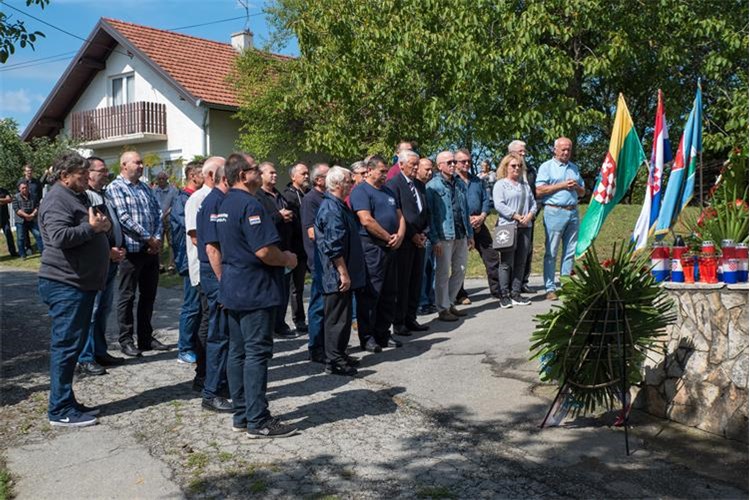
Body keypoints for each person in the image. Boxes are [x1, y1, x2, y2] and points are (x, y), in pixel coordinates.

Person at [216, 152, 299, 438]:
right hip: (253, 289)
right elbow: (264, 251)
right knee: (256, 354)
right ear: (243, 175)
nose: (261, 172)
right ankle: (258, 420)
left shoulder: (225, 203)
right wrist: (287, 258)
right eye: (255, 169)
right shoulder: (250, 204)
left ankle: (242, 414)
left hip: (234, 287)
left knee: (238, 353)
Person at [38, 152, 111, 427]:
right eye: (81, 175)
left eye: (86, 173)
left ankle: (66, 400)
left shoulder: (77, 196)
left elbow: (91, 224)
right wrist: (92, 229)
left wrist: (101, 227)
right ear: (64, 175)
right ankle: (59, 410)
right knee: (66, 348)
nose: (86, 178)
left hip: (79, 284)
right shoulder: (57, 198)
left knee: (72, 346)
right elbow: (58, 237)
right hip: (65, 285)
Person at [107, 151, 167, 357]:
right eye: (137, 162)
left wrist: (157, 239)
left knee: (149, 295)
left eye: (141, 163)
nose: (141, 166)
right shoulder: (116, 187)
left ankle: (145, 337)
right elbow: (123, 217)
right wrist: (148, 238)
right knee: (127, 296)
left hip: (150, 250)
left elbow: (158, 213)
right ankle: (126, 339)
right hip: (131, 252)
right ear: (124, 165)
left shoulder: (144, 187)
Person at [76, 157, 127, 376]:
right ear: (89, 173)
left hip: (111, 261)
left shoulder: (104, 194)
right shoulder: (84, 197)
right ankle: (85, 358)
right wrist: (108, 251)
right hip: (97, 261)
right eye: (102, 170)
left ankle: (99, 351)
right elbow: (91, 230)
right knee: (92, 311)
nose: (106, 173)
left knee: (104, 309)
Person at [350, 155, 406, 351]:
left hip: (391, 247)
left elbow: (400, 216)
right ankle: (368, 336)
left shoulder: (388, 191)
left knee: (389, 293)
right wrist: (386, 237)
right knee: (371, 294)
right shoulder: (361, 191)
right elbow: (366, 220)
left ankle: (383, 333)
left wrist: (399, 235)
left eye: (386, 171)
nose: (385, 175)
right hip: (372, 248)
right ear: (370, 170)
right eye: (382, 171)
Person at [314, 166, 365, 376]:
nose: (351, 185)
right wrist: (343, 272)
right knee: (337, 318)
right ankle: (333, 360)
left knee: (343, 317)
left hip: (344, 270)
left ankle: (339, 353)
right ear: (336, 184)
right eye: (347, 181)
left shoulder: (339, 206)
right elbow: (333, 246)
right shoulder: (331, 208)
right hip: (334, 273)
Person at [196, 156, 234, 412]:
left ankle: (221, 384)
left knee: (226, 334)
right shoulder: (213, 202)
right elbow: (211, 248)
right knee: (219, 334)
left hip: (221, 273)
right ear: (223, 178)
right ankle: (211, 392)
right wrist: (223, 282)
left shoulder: (222, 200)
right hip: (215, 274)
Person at [184, 157, 225, 392]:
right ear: (211, 175)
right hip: (205, 270)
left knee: (214, 322)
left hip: (216, 267)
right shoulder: (198, 199)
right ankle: (203, 374)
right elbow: (197, 237)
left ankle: (213, 372)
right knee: (208, 322)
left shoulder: (219, 198)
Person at [425, 151, 473, 322]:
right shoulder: (432, 186)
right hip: (444, 234)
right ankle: (443, 307)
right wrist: (435, 238)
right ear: (440, 166)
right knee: (443, 273)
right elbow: (430, 215)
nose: (453, 165)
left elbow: (465, 210)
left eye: (454, 162)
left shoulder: (459, 183)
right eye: (449, 162)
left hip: (460, 233)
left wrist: (470, 234)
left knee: (460, 270)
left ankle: (450, 302)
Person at [386, 150, 429, 335]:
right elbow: (399, 214)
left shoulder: (419, 185)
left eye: (417, 164)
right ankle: (399, 321)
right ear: (401, 165)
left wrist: (424, 233)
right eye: (413, 164)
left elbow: (425, 211)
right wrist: (412, 235)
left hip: (420, 239)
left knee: (416, 280)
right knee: (402, 282)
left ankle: (411, 317)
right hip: (405, 240)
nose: (416, 168)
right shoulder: (394, 185)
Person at [535, 137, 585, 300]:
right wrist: (562, 185)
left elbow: (583, 192)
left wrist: (576, 187)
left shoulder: (574, 168)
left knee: (570, 251)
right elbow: (539, 191)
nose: (566, 152)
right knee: (552, 251)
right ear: (554, 150)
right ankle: (550, 288)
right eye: (563, 149)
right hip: (554, 211)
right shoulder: (546, 167)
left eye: (569, 149)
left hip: (572, 212)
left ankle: (566, 285)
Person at [454, 149, 500, 302]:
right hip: (460, 226)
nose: (467, 164)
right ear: (455, 163)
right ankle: (459, 294)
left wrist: (482, 216)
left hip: (479, 223)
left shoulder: (477, 181)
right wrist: (467, 219)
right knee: (459, 262)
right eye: (463, 161)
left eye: (468, 161)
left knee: (492, 256)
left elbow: (486, 200)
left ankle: (497, 290)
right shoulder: (452, 181)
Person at [257, 162, 296, 338]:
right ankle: (271, 325)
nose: (275, 175)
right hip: (270, 249)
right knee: (272, 290)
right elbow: (262, 221)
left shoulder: (278, 194)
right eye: (270, 173)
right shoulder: (258, 196)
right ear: (261, 175)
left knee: (284, 288)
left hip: (285, 246)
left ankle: (280, 323)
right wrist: (279, 216)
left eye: (275, 173)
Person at [171, 161, 205, 365]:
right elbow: (186, 230)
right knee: (191, 306)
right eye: (203, 173)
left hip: (199, 259)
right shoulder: (183, 200)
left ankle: (197, 344)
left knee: (201, 307)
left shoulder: (199, 197)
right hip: (189, 258)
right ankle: (184, 348)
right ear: (193, 175)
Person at [493, 153, 537, 308]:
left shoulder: (524, 185)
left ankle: (516, 292)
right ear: (506, 167)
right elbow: (499, 204)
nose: (517, 168)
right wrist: (516, 216)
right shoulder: (500, 185)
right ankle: (504, 294)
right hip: (508, 227)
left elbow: (533, 203)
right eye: (513, 166)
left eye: (519, 166)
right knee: (506, 262)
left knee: (521, 261)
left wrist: (530, 215)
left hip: (526, 227)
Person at [300, 163, 329, 363]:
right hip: (318, 259)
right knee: (318, 304)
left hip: (330, 258)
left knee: (329, 305)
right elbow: (312, 232)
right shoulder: (311, 200)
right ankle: (315, 346)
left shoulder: (328, 197)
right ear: (318, 180)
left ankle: (327, 344)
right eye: (328, 175)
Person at [281, 162, 310, 333]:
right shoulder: (288, 197)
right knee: (294, 287)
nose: (306, 176)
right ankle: (297, 320)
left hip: (306, 247)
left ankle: (301, 318)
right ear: (293, 177)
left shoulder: (306, 193)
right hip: (294, 247)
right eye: (303, 173)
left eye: (307, 173)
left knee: (300, 285)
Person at [509, 140, 536, 293]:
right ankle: (508, 286)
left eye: (524, 151)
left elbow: (534, 195)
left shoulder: (531, 170)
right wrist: (515, 216)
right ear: (511, 152)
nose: (524, 154)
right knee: (510, 253)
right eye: (520, 151)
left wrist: (531, 214)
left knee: (527, 251)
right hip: (511, 219)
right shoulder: (504, 169)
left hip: (529, 218)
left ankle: (522, 283)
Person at [415, 158, 437, 315]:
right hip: (420, 235)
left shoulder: (425, 187)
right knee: (421, 271)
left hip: (430, 233)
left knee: (431, 269)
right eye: (426, 169)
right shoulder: (414, 186)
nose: (430, 172)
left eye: (431, 170)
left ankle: (429, 300)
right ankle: (421, 302)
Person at [153, 171, 179, 271]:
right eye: (159, 179)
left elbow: (175, 205)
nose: (161, 181)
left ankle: (172, 264)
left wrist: (166, 214)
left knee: (171, 243)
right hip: (158, 221)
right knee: (159, 242)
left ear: (166, 179)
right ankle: (159, 265)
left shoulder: (173, 190)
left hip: (170, 220)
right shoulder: (154, 191)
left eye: (162, 178)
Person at [12, 180, 44, 259]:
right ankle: (22, 254)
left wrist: (32, 215)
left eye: (26, 187)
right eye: (22, 188)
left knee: (39, 235)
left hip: (32, 219)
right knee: (21, 238)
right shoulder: (15, 197)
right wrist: (26, 216)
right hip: (21, 220)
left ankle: (43, 253)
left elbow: (37, 206)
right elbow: (16, 209)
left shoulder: (33, 196)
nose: (24, 189)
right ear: (19, 189)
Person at [0, 185, 18, 257]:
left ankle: (13, 252)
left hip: (4, 218)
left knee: (8, 234)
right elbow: (6, 200)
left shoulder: (4, 191)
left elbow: (9, 200)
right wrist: (3, 200)